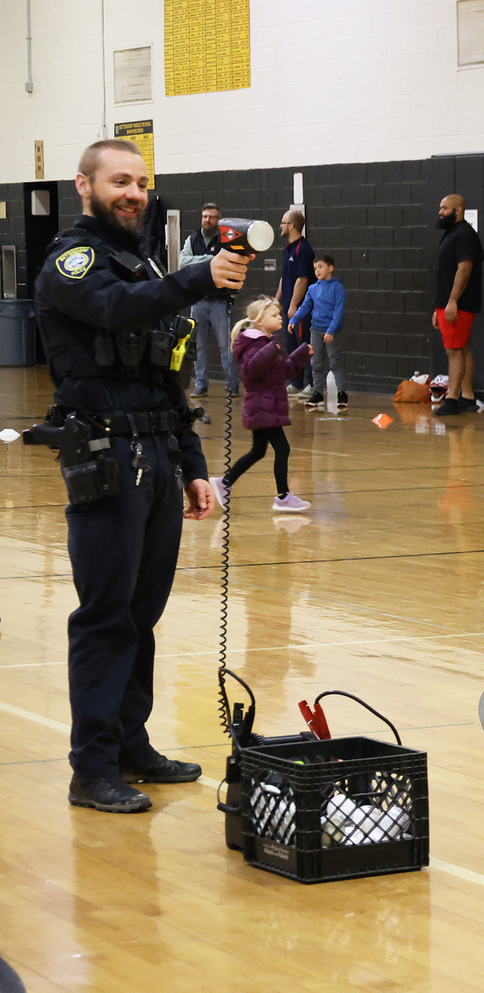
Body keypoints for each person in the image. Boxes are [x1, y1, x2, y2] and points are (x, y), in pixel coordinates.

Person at [33, 138, 251, 813]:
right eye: (119, 180)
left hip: (157, 457)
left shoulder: (144, 259)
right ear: (85, 186)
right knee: (106, 616)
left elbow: (166, 374)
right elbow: (116, 310)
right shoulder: (72, 262)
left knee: (142, 613)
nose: (132, 192)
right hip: (103, 457)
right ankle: (91, 766)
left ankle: (131, 744)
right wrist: (198, 277)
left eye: (140, 181)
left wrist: (192, 467)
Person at [211, 296, 313, 512]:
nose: (280, 318)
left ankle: (224, 482)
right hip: (261, 405)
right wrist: (271, 350)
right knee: (282, 448)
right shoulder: (255, 344)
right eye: (274, 315)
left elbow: (281, 372)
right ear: (259, 321)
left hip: (267, 405)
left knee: (258, 451)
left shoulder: (267, 343)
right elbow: (249, 370)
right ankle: (283, 496)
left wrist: (300, 356)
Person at [432, 194, 484, 416]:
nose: (440, 212)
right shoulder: (452, 233)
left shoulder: (464, 234)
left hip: (458, 304)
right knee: (462, 348)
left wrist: (452, 300)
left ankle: (452, 399)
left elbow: (464, 269)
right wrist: (439, 306)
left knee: (453, 351)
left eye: (445, 208)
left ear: (458, 210)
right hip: (447, 304)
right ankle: (468, 396)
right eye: (440, 207)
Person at [180, 202, 239, 398]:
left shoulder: (226, 240)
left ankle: (232, 385)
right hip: (197, 301)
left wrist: (199, 261)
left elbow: (227, 260)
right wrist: (211, 259)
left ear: (218, 220)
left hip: (218, 301)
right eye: (204, 216)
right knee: (199, 346)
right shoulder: (192, 239)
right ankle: (201, 385)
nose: (207, 220)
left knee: (225, 346)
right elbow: (183, 261)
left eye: (211, 217)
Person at [288, 254, 348, 409]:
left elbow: (338, 311)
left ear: (330, 268)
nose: (317, 270)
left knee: (335, 361)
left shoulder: (337, 288)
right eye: (315, 268)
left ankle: (342, 393)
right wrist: (294, 319)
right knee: (316, 363)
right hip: (316, 330)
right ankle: (318, 393)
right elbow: (305, 306)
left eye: (320, 267)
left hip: (331, 331)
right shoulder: (313, 288)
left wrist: (331, 330)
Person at [275, 209, 315, 397]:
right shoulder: (288, 249)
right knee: (290, 344)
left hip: (300, 309)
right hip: (289, 308)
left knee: (303, 344)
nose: (280, 226)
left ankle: (311, 383)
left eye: (283, 222)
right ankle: (296, 382)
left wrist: (293, 306)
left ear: (291, 226)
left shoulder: (303, 249)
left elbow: (302, 280)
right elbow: (285, 278)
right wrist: (276, 300)